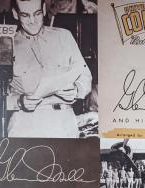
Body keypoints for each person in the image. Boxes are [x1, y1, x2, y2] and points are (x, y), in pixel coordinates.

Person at [6, 0, 93, 138]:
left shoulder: (64, 37)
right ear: (15, 14)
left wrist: (76, 91)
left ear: (44, 11)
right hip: (24, 124)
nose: (32, 21)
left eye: (37, 14)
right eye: (25, 15)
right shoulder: (6, 44)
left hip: (63, 123)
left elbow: (85, 77)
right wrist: (18, 101)